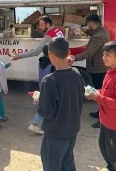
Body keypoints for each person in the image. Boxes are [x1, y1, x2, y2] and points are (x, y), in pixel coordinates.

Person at [38, 37, 85, 171]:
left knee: (52, 165)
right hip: (72, 130)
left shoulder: (49, 80)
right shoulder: (76, 74)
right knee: (67, 163)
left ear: (50, 55)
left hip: (55, 133)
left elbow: (46, 112)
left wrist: (39, 100)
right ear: (68, 52)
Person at [85, 41, 116, 171]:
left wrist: (98, 97)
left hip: (114, 125)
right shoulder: (110, 72)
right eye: (104, 54)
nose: (104, 57)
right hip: (105, 121)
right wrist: (96, 92)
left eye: (108, 55)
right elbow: (107, 92)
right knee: (105, 150)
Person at [69, 14, 110, 128]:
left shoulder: (99, 36)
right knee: (99, 92)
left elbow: (89, 53)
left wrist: (74, 58)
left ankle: (103, 120)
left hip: (98, 68)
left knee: (99, 94)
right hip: (98, 67)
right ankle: (99, 113)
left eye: (88, 24)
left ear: (92, 23)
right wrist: (83, 30)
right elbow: (93, 34)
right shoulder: (101, 31)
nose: (89, 26)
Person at [28, 44, 55, 135]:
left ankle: (44, 124)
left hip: (42, 86)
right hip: (50, 89)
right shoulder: (52, 65)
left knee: (45, 105)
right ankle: (35, 124)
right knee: (45, 107)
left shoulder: (42, 61)